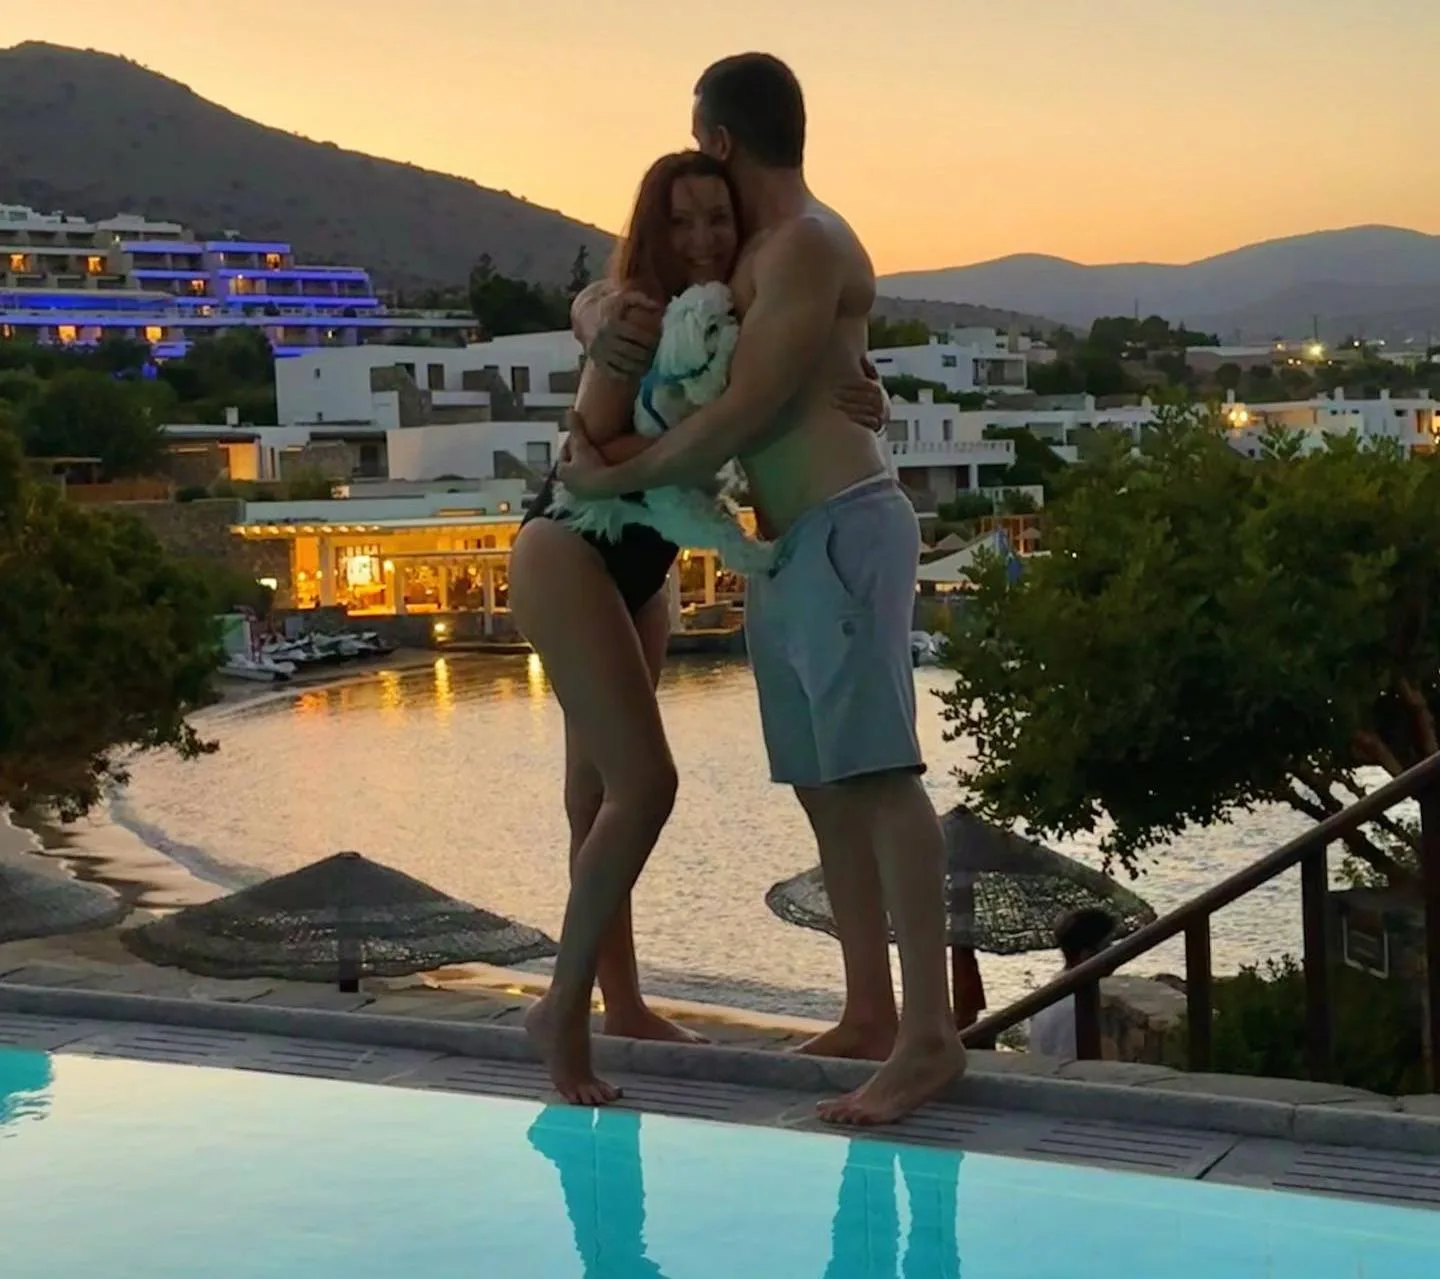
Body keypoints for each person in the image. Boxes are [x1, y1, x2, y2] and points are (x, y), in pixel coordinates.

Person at [548, 52, 966, 1125]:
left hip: (842, 525)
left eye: (702, 144)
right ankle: (869, 1011)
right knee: (825, 784)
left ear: (722, 140)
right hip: (788, 548)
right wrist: (594, 314)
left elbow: (744, 411)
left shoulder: (807, 243)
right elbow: (623, 299)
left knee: (880, 777)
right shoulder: (762, 254)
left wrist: (610, 478)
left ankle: (929, 1037)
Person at [509, 149, 889, 1098]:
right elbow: (593, 448)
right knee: (646, 787)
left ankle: (623, 1002)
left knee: (596, 796)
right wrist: (684, 408)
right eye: (680, 221)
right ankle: (560, 1008)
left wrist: (863, 391)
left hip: (644, 566)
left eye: (717, 218)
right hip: (571, 547)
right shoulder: (636, 318)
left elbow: (791, 383)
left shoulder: (735, 308)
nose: (703, 237)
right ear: (653, 229)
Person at [1026, 908, 1117, 1060]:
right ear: (1086, 955)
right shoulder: (1077, 1005)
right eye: (1107, 945)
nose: (1114, 951)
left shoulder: (1053, 992)